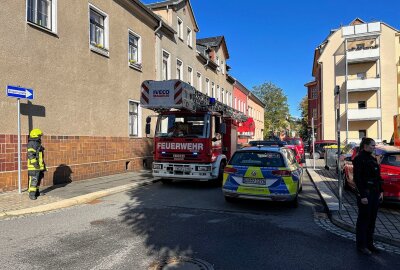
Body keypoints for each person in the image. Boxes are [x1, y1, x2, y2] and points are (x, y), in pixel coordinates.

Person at [353, 137, 383, 255]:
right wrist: (363, 195)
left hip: (375, 193)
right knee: (364, 220)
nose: (374, 147)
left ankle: (370, 244)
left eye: (374, 145)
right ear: (365, 146)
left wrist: (381, 191)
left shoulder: (372, 158)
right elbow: (358, 178)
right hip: (366, 194)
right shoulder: (359, 159)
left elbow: (377, 177)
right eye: (372, 145)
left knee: (372, 220)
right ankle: (361, 245)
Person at [27, 128, 46, 200]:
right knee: (34, 180)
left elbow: (40, 156)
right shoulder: (32, 143)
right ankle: (31, 194)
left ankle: (37, 192)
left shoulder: (37, 143)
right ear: (35, 135)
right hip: (34, 166)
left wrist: (43, 166)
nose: (40, 137)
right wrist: (35, 163)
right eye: (39, 136)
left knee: (38, 179)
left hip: (39, 166)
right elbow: (30, 154)